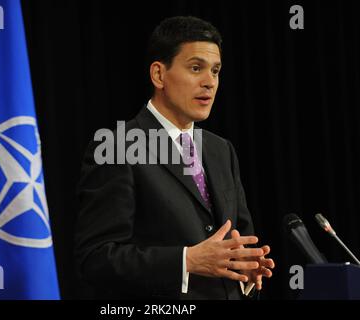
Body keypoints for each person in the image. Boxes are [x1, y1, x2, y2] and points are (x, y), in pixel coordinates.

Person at [74, 16, 274, 299]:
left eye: (215, 71)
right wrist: (186, 261)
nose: (209, 82)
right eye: (196, 68)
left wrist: (246, 269)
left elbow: (237, 241)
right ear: (158, 75)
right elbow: (95, 260)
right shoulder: (117, 146)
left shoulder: (221, 150)